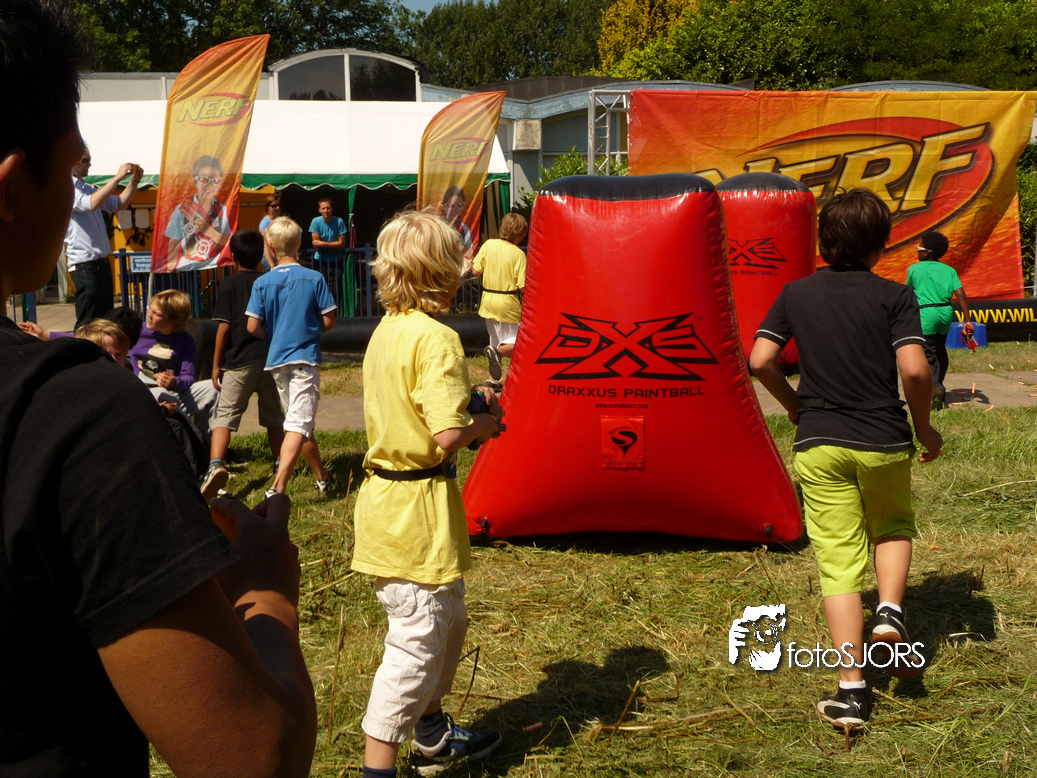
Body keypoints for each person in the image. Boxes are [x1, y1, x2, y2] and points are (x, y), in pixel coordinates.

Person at [0, 2, 316, 775]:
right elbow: (250, 758)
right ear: (10, 188)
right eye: (69, 168)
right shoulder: (73, 414)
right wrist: (265, 586)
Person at [749, 189, 943, 729]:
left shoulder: (796, 293)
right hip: (883, 440)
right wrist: (924, 428)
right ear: (882, 244)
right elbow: (915, 371)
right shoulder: (894, 296)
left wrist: (795, 406)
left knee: (837, 563)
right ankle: (890, 612)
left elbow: (760, 359)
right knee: (893, 527)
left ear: (823, 243)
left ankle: (852, 692)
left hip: (819, 442)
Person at [352, 210, 503, 778]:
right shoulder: (437, 338)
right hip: (411, 511)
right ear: (443, 271)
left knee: (449, 619)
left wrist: (469, 402)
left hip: (402, 504)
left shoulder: (388, 330)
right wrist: (485, 423)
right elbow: (446, 436)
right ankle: (378, 768)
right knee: (416, 643)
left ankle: (433, 731)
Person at [247, 216, 336, 497]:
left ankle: (322, 476)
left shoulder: (262, 282)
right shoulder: (314, 278)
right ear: (299, 244)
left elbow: (252, 326)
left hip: (277, 360)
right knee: (299, 423)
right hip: (305, 358)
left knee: (297, 421)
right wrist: (309, 330)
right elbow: (329, 320)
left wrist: (275, 335)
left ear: (271, 247)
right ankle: (278, 487)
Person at [201, 229, 287, 498]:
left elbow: (224, 328)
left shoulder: (229, 285)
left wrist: (216, 364)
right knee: (275, 417)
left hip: (239, 361)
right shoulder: (270, 282)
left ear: (233, 257)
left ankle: (216, 465)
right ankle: (280, 463)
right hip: (271, 359)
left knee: (224, 416)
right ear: (261, 255)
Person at [128, 288, 220, 443]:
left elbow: (188, 377)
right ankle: (195, 440)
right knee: (160, 393)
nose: (149, 315)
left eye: (156, 313)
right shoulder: (136, 332)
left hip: (174, 395)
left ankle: (208, 441)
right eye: (150, 309)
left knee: (213, 388)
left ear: (174, 321)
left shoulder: (185, 340)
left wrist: (173, 382)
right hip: (144, 394)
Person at [66, 144, 143, 330]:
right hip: (85, 265)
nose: (89, 165)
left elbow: (119, 204)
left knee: (106, 321)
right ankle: (82, 349)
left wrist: (134, 181)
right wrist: (117, 178)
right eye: (85, 160)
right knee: (88, 323)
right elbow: (90, 204)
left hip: (100, 264)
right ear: (72, 162)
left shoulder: (87, 188)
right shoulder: (66, 187)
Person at [905, 230, 974, 410]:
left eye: (920, 248)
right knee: (940, 349)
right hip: (945, 314)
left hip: (925, 314)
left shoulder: (914, 269)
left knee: (928, 353)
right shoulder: (949, 270)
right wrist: (967, 321)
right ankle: (939, 384)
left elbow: (907, 293)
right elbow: (961, 295)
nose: (917, 251)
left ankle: (935, 386)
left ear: (927, 253)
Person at [472, 212, 528, 381]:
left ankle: (493, 380)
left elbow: (475, 272)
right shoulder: (518, 254)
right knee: (520, 345)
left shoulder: (488, 245)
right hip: (507, 304)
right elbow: (522, 287)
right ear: (519, 233)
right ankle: (497, 353)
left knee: (495, 340)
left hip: (488, 301)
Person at [164, 153, 232, 266]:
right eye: (204, 179)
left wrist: (208, 230)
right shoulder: (182, 210)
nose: (210, 185)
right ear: (195, 181)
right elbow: (173, 244)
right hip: (187, 267)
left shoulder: (222, 209)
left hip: (215, 265)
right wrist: (170, 267)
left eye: (215, 180)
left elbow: (229, 240)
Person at [308, 197, 353, 314]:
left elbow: (341, 244)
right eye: (323, 208)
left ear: (332, 209)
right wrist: (332, 244)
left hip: (336, 261)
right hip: (320, 260)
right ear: (319, 210)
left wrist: (323, 244)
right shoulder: (315, 222)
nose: (326, 211)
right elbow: (315, 243)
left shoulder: (339, 222)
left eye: (328, 208)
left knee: (335, 289)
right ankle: (320, 313)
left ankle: (334, 315)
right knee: (320, 287)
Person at [440, 185, 473, 258]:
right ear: (444, 205)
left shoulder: (464, 228)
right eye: (452, 206)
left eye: (460, 205)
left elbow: (470, 251)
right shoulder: (437, 225)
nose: (455, 209)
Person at [259, 194, 282, 270]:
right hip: (269, 258)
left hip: (278, 256)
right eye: (274, 206)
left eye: (279, 205)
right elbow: (265, 244)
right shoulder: (265, 223)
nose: (278, 208)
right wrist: (272, 264)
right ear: (267, 207)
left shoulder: (279, 219)